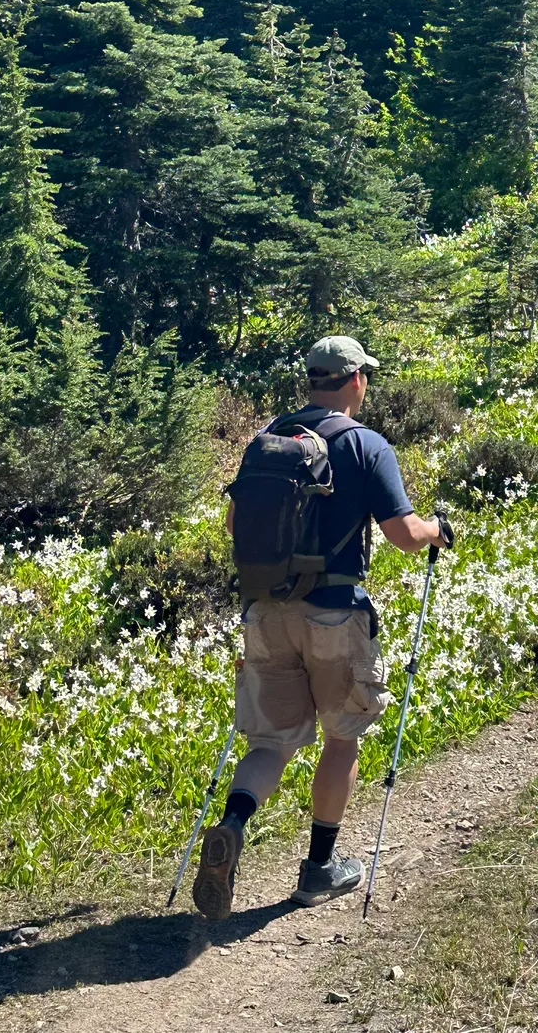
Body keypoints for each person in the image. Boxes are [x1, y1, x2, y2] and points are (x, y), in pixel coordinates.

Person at [192, 334, 453, 919]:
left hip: (266, 611)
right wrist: (438, 529)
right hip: (335, 613)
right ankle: (319, 869)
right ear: (356, 379)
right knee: (342, 736)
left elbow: (236, 524)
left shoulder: (269, 440)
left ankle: (232, 823)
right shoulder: (366, 445)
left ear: (312, 379)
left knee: (270, 741)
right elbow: (404, 536)